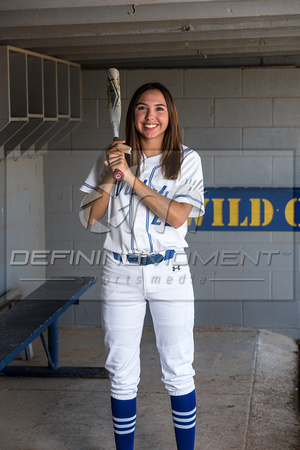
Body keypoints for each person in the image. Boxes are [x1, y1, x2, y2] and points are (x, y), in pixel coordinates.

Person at [80, 82, 204, 449]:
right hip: (120, 273)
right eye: (142, 108)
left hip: (170, 273)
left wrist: (130, 178)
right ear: (131, 114)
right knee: (121, 373)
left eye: (159, 109)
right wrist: (109, 173)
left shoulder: (186, 159)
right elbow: (89, 218)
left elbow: (178, 216)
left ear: (170, 116)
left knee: (179, 371)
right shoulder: (110, 157)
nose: (151, 117)